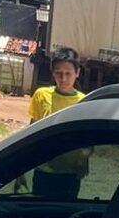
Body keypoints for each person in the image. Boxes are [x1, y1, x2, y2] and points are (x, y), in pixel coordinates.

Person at [25, 47, 88, 198]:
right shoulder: (41, 95)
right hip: (44, 170)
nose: (64, 78)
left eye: (68, 73)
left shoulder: (84, 102)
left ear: (77, 73)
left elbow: (86, 140)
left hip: (70, 173)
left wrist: (83, 160)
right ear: (52, 73)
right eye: (59, 73)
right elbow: (32, 132)